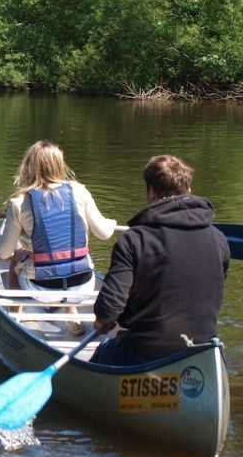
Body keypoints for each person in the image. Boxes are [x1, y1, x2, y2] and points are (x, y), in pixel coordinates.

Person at [92, 154, 230, 365]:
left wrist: (103, 321)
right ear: (189, 191)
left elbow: (108, 310)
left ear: (151, 192)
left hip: (145, 353)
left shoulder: (133, 240)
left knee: (103, 352)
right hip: (201, 353)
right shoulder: (219, 239)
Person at [0, 140, 118, 336]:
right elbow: (104, 233)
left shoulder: (19, 202)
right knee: (66, 256)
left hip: (41, 289)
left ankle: (15, 317)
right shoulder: (80, 191)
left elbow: (3, 252)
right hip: (83, 285)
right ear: (60, 165)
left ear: (28, 167)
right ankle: (71, 313)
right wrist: (111, 223)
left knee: (16, 256)